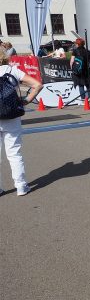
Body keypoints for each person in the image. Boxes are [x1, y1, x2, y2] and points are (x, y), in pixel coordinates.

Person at [0, 51, 43, 196]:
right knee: (14, 153)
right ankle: (21, 186)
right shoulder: (12, 70)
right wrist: (25, 101)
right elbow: (38, 85)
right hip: (11, 116)